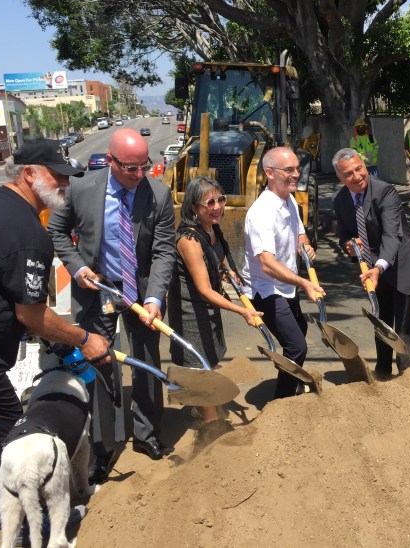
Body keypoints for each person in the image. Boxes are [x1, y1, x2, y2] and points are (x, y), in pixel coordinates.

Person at [0, 139, 110, 525]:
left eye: (68, 176)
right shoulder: (26, 230)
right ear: (28, 173)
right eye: (56, 175)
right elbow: (31, 314)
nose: (65, 184)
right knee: (16, 433)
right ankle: (40, 518)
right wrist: (84, 339)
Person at [48, 128, 175, 482]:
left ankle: (146, 432)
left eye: (143, 167)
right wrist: (77, 268)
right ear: (111, 160)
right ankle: (102, 447)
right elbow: (57, 231)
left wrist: (154, 298)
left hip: (141, 291)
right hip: (98, 289)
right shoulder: (81, 188)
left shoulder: (159, 194)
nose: (138, 175)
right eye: (130, 168)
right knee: (100, 363)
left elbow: (164, 250)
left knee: (148, 362)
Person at [167, 176, 262, 444]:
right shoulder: (189, 240)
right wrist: (242, 311)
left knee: (210, 356)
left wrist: (229, 272)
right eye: (210, 202)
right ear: (194, 208)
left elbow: (218, 257)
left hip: (207, 307)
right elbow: (205, 290)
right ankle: (211, 425)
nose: (218, 206)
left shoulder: (212, 228)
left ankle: (203, 406)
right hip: (190, 309)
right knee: (199, 363)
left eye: (221, 199)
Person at [333, 148, 410, 379]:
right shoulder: (340, 200)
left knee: (405, 324)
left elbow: (391, 235)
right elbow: (345, 234)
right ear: (339, 177)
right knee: (381, 319)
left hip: (403, 263)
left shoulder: (384, 191)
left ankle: (407, 374)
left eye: (360, 169)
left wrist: (379, 267)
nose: (357, 176)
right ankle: (383, 369)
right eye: (349, 174)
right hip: (374, 268)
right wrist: (348, 245)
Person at [242, 147, 322, 399]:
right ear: (269, 173)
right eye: (289, 170)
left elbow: (299, 233)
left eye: (297, 168)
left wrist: (305, 245)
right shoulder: (262, 212)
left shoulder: (289, 200)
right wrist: (304, 283)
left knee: (300, 331)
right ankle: (282, 403)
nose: (296, 174)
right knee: (296, 346)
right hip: (265, 289)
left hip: (285, 286)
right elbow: (266, 263)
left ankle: (293, 383)